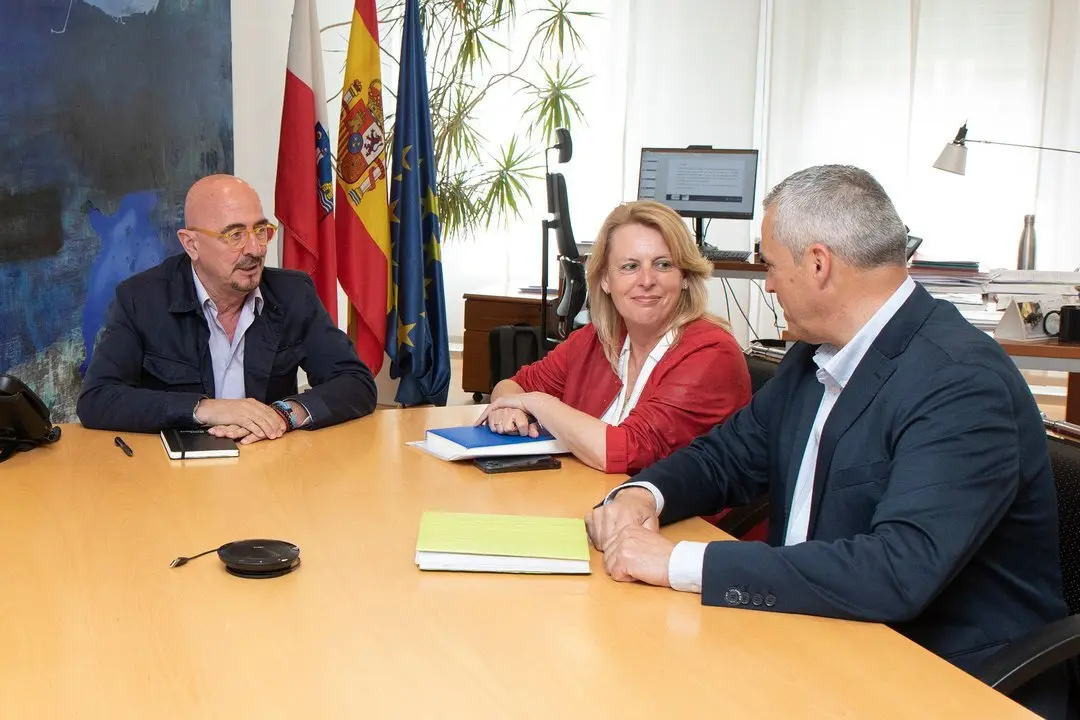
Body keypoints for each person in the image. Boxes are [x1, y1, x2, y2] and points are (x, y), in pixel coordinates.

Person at [586, 166, 1070, 717]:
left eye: (770, 265)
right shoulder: (816, 356)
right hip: (814, 640)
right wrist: (641, 495)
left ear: (817, 264)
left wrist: (679, 563)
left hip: (944, 677)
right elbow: (725, 457)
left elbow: (897, 570)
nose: (766, 284)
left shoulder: (960, 381)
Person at [78, 175, 377, 442]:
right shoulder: (141, 299)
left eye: (260, 231)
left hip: (270, 470)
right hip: (174, 479)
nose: (255, 249)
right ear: (191, 244)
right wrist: (204, 409)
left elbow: (356, 382)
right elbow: (97, 399)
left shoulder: (292, 293)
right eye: (235, 235)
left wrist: (285, 414)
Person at [477, 200, 751, 474]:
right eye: (630, 266)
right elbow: (514, 385)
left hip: (679, 515)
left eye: (663, 264)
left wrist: (537, 403)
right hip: (592, 501)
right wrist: (508, 410)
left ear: (686, 277)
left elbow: (627, 451)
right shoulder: (598, 338)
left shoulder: (711, 353)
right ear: (606, 280)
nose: (646, 280)